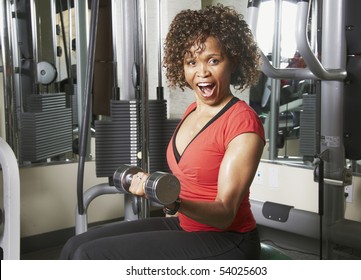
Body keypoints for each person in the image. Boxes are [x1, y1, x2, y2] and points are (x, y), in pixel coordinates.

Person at [60, 4, 265, 260]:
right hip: (186, 226)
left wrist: (170, 200)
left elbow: (225, 214)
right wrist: (158, 193)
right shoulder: (193, 110)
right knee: (74, 246)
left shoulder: (242, 123)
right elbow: (186, 182)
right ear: (182, 66)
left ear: (233, 62)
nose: (202, 72)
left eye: (213, 60)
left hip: (230, 240)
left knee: (89, 256)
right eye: (192, 62)